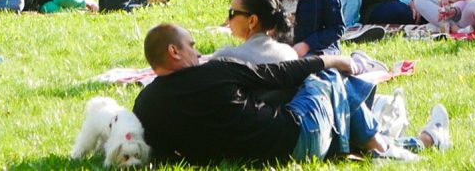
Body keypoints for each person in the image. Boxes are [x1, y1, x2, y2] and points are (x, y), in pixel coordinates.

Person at [133, 24, 453, 165]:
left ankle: (417, 140)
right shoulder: (215, 71)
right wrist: (333, 59)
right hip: (296, 137)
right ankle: (380, 145)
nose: (198, 51)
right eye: (191, 45)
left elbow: (160, 153)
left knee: (326, 101)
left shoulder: (145, 104)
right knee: (326, 77)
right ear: (174, 51)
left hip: (257, 155)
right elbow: (282, 73)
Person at [213, 0, 300, 65]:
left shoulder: (226, 58)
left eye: (232, 13)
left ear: (252, 21)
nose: (227, 20)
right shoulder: (289, 54)